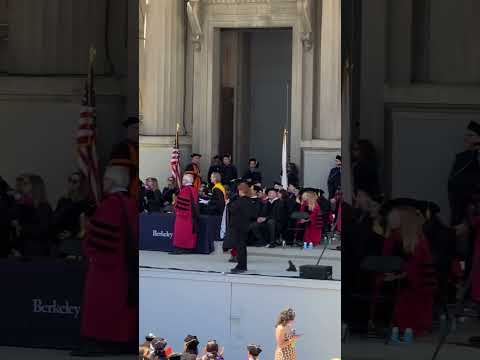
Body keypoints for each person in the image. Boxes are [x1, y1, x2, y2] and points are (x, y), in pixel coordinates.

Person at [73, 166, 138, 356]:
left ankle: (97, 343)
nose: (102, 183)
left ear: (111, 182)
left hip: (107, 266)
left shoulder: (110, 204)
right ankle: (122, 342)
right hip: (127, 266)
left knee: (101, 304)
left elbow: (100, 240)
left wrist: (89, 244)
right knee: (124, 306)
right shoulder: (131, 202)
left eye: (105, 179)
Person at [381, 204, 436, 342]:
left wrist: (397, 276)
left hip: (415, 285)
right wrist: (388, 273)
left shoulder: (419, 241)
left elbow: (416, 269)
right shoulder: (393, 237)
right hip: (398, 279)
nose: (390, 219)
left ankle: (407, 328)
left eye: (395, 216)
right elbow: (385, 259)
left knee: (405, 294)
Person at [53, 171, 94, 257]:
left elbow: (87, 226)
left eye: (75, 182)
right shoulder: (63, 201)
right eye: (70, 180)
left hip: (75, 242)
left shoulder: (87, 204)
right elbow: (55, 219)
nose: (71, 184)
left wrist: (72, 233)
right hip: (59, 240)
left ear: (82, 185)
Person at [15, 174, 53, 257]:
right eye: (22, 184)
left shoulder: (44, 207)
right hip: (23, 250)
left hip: (38, 251)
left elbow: (43, 230)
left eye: (26, 184)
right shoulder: (23, 205)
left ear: (35, 186)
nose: (22, 186)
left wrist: (22, 228)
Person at [223, 182, 256, 273]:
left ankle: (241, 266)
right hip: (245, 226)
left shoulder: (240, 201)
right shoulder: (249, 201)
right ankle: (242, 265)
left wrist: (228, 203)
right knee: (242, 247)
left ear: (241, 190)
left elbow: (232, 210)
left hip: (238, 226)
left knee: (240, 247)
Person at [110, 116, 140, 198]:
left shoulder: (139, 147)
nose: (138, 131)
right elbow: (118, 173)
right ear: (129, 130)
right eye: (136, 128)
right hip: (126, 189)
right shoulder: (122, 147)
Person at [170, 174, 200, 255]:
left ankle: (180, 248)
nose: (182, 181)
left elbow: (180, 206)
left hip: (183, 216)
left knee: (182, 231)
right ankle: (187, 248)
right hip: (191, 216)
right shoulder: (194, 189)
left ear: (186, 181)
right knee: (189, 232)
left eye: (183, 179)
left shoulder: (185, 190)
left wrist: (175, 204)